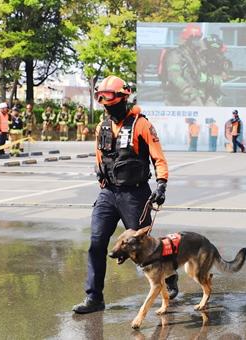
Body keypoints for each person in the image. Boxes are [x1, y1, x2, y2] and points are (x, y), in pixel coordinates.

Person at [72, 75, 177, 314]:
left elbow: (158, 157)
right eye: (104, 102)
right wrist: (101, 177)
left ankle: (169, 280)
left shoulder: (141, 124)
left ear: (123, 98)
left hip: (136, 195)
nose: (108, 106)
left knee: (148, 246)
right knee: (97, 242)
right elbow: (100, 157)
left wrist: (162, 184)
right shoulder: (102, 127)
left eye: (111, 100)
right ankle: (94, 298)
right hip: (109, 194)